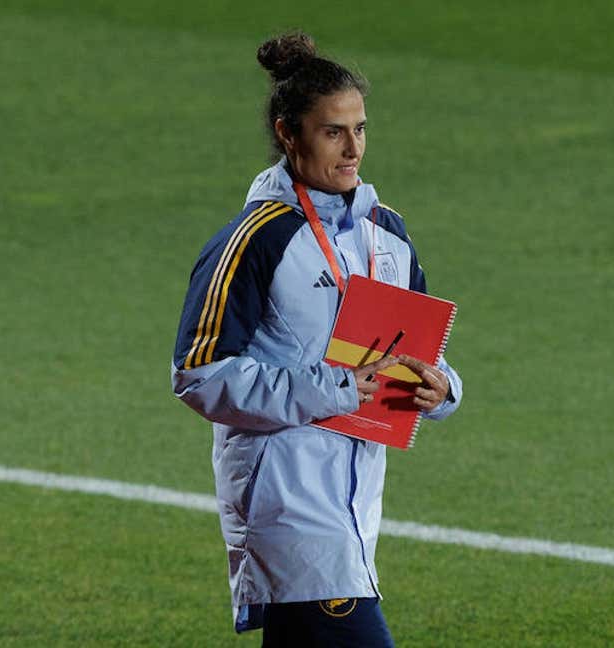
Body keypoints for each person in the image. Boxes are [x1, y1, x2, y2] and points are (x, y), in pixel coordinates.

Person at [171, 31, 462, 646]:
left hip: (357, 501)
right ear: (288, 133)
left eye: (360, 128)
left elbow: (417, 353)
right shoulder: (258, 239)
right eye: (334, 131)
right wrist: (332, 388)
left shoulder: (388, 234)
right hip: (287, 502)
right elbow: (198, 375)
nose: (353, 147)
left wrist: (442, 388)